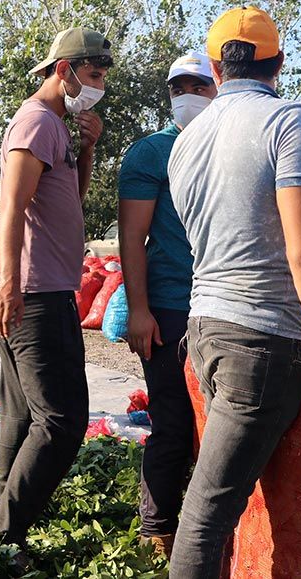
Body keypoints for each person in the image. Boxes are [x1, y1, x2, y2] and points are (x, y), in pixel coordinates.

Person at [167, 6, 301, 577]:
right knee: (206, 518)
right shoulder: (289, 121)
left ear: (215, 68)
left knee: (229, 502)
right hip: (259, 343)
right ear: (278, 62)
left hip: (204, 332)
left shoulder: (186, 141)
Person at [0, 27, 112, 563]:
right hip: (34, 292)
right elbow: (12, 208)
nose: (101, 86)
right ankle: (6, 533)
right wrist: (10, 284)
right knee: (62, 421)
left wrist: (87, 151)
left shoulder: (57, 126)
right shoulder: (36, 122)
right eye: (95, 75)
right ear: (66, 70)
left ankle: (1, 533)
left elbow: (68, 201)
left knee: (22, 416)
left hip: (36, 286)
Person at [117, 53, 217, 556]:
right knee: (174, 420)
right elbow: (132, 237)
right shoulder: (152, 152)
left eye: (198, 85)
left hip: (222, 305)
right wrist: (140, 310)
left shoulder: (230, 145)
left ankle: (208, 527)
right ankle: (157, 528)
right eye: (178, 87)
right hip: (171, 305)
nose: (188, 95)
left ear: (218, 88)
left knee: (219, 427)